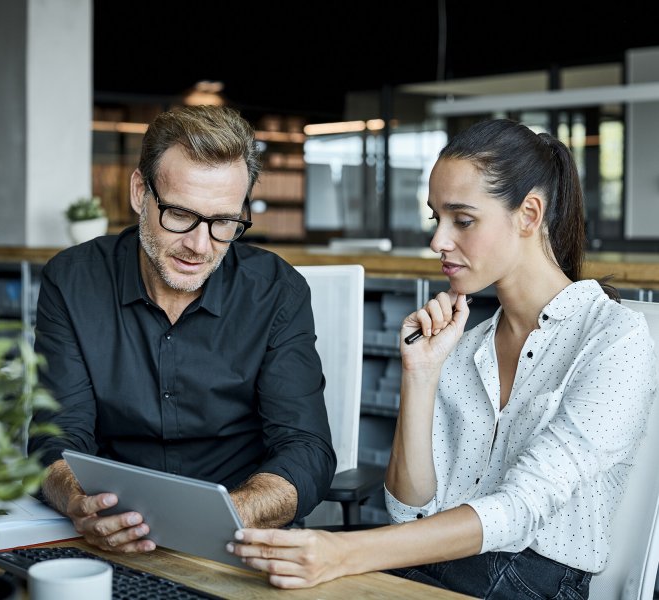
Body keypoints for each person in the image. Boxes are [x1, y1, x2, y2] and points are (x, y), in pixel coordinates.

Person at [228, 118, 658, 598]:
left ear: (529, 214)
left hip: (534, 581)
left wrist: (345, 552)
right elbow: (409, 511)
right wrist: (421, 374)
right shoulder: (466, 346)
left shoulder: (615, 338)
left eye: (464, 220)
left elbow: (520, 510)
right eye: (437, 219)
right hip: (446, 564)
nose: (438, 241)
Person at [28, 104, 336, 553]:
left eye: (224, 222)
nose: (199, 245)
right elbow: (56, 436)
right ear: (140, 192)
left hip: (238, 537)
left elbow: (306, 449)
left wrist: (230, 513)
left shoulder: (277, 292)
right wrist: (79, 502)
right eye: (179, 214)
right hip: (109, 533)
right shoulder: (72, 281)